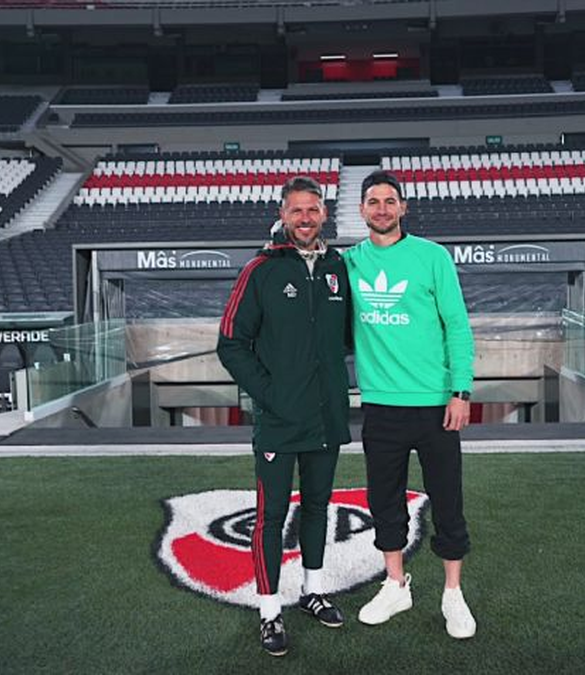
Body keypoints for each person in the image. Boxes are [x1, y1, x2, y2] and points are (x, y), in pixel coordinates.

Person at [216, 175, 352, 657]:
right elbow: (230, 342)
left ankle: (312, 591)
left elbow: (352, 338)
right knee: (271, 517)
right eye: (297, 210)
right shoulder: (261, 270)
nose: (305, 218)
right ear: (283, 213)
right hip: (278, 419)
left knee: (318, 507)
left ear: (323, 214)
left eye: (313, 209)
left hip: (327, 417)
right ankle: (269, 611)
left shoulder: (339, 268)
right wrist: (270, 394)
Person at [344, 169, 477, 639]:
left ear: (403, 208)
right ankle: (395, 584)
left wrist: (461, 391)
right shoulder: (348, 264)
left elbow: (457, 327)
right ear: (361, 210)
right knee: (384, 502)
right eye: (373, 201)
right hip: (380, 406)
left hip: (437, 405)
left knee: (447, 501)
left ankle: (453, 594)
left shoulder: (432, 258)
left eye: (389, 201)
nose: (381, 208)